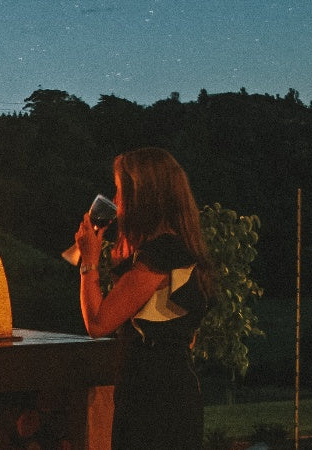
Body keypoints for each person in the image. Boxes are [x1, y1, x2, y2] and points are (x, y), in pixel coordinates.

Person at [75, 147, 214, 450]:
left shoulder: (159, 256)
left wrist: (89, 263)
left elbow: (99, 323)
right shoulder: (172, 249)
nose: (116, 199)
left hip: (154, 398)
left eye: (121, 190)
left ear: (143, 197)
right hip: (167, 390)